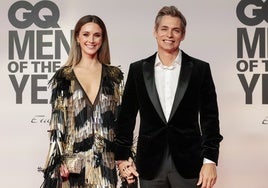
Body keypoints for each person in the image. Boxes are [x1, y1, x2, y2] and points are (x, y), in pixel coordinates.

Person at [114, 5, 223, 188]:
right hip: (149, 164)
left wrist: (210, 160)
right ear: (155, 32)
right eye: (164, 29)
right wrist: (122, 158)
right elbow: (126, 118)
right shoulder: (137, 70)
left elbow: (210, 118)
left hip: (189, 163)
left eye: (176, 30)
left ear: (183, 34)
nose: (169, 35)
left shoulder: (199, 69)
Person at [40, 15, 124, 188]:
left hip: (105, 167)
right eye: (86, 34)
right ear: (77, 37)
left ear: (103, 39)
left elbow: (122, 123)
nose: (91, 40)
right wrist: (57, 161)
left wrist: (125, 160)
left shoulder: (114, 77)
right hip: (72, 168)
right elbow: (57, 125)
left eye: (97, 35)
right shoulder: (64, 77)